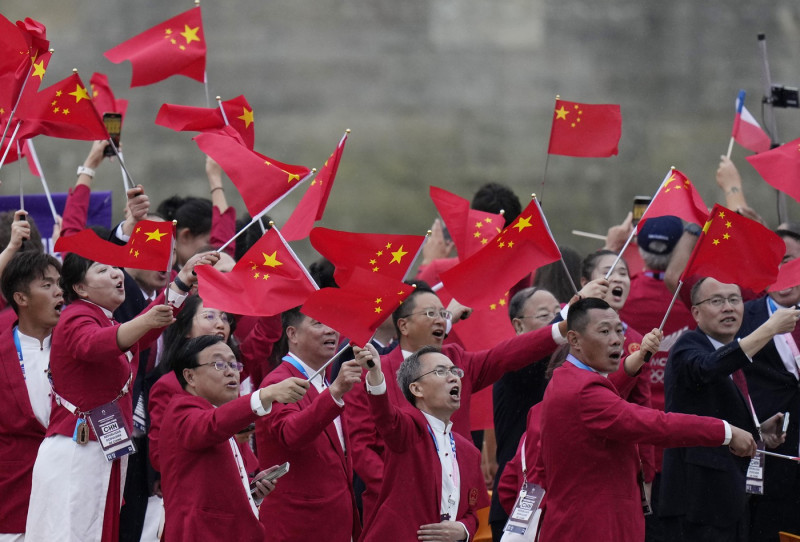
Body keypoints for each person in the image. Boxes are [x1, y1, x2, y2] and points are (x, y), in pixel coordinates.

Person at [536, 297, 758, 542]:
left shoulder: (570, 377)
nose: (616, 339)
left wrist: (639, 358)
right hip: (593, 527)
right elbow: (655, 425)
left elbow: (607, 387)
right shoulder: (583, 392)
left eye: (619, 330)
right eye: (604, 331)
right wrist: (725, 432)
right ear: (574, 340)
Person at [344, 283, 569, 522]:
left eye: (443, 313)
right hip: (394, 510)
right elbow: (362, 449)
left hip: (455, 508)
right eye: (430, 314)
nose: (441, 320)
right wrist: (404, 492)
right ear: (404, 325)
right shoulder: (372, 375)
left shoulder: (457, 360)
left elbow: (505, 355)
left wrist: (562, 327)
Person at [24, 252, 206, 542]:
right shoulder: (75, 316)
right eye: (103, 270)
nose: (116, 274)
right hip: (77, 447)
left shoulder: (104, 320)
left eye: (116, 268)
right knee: (74, 533)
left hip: (103, 446)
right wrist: (145, 322)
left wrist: (182, 281)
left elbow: (143, 329)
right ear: (80, 288)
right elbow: (94, 345)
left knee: (99, 531)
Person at [660, 277, 795, 542]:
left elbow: (717, 410)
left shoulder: (730, 350)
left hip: (729, 498)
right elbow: (709, 367)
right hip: (695, 500)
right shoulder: (688, 346)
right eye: (717, 301)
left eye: (734, 300)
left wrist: (758, 431)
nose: (728, 308)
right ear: (696, 312)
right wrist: (768, 329)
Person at [160, 335, 309, 542]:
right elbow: (209, 426)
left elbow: (213, 488)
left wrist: (252, 491)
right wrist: (265, 395)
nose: (231, 372)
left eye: (234, 364)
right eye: (219, 364)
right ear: (190, 376)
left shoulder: (218, 413)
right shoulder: (181, 409)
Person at [354, 344, 488, 541]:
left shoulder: (469, 452)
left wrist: (463, 529)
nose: (454, 377)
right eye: (441, 371)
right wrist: (375, 372)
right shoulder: (407, 429)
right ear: (416, 388)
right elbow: (385, 415)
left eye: (455, 371)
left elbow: (471, 513)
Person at [255, 307, 363, 542]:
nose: (330, 331)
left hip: (334, 522)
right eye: (318, 324)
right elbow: (291, 434)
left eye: (333, 323)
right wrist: (336, 391)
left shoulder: (323, 381)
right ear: (292, 334)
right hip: (298, 525)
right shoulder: (278, 381)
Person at [739, 222, 800, 541]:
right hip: (768, 459)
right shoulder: (744, 317)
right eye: (774, 262)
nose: (781, 270)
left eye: (789, 260)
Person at [0, 251, 62, 540]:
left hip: (68, 494)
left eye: (60, 283)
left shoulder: (79, 347)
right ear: (21, 299)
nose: (59, 291)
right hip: (12, 496)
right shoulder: (2, 350)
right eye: (47, 285)